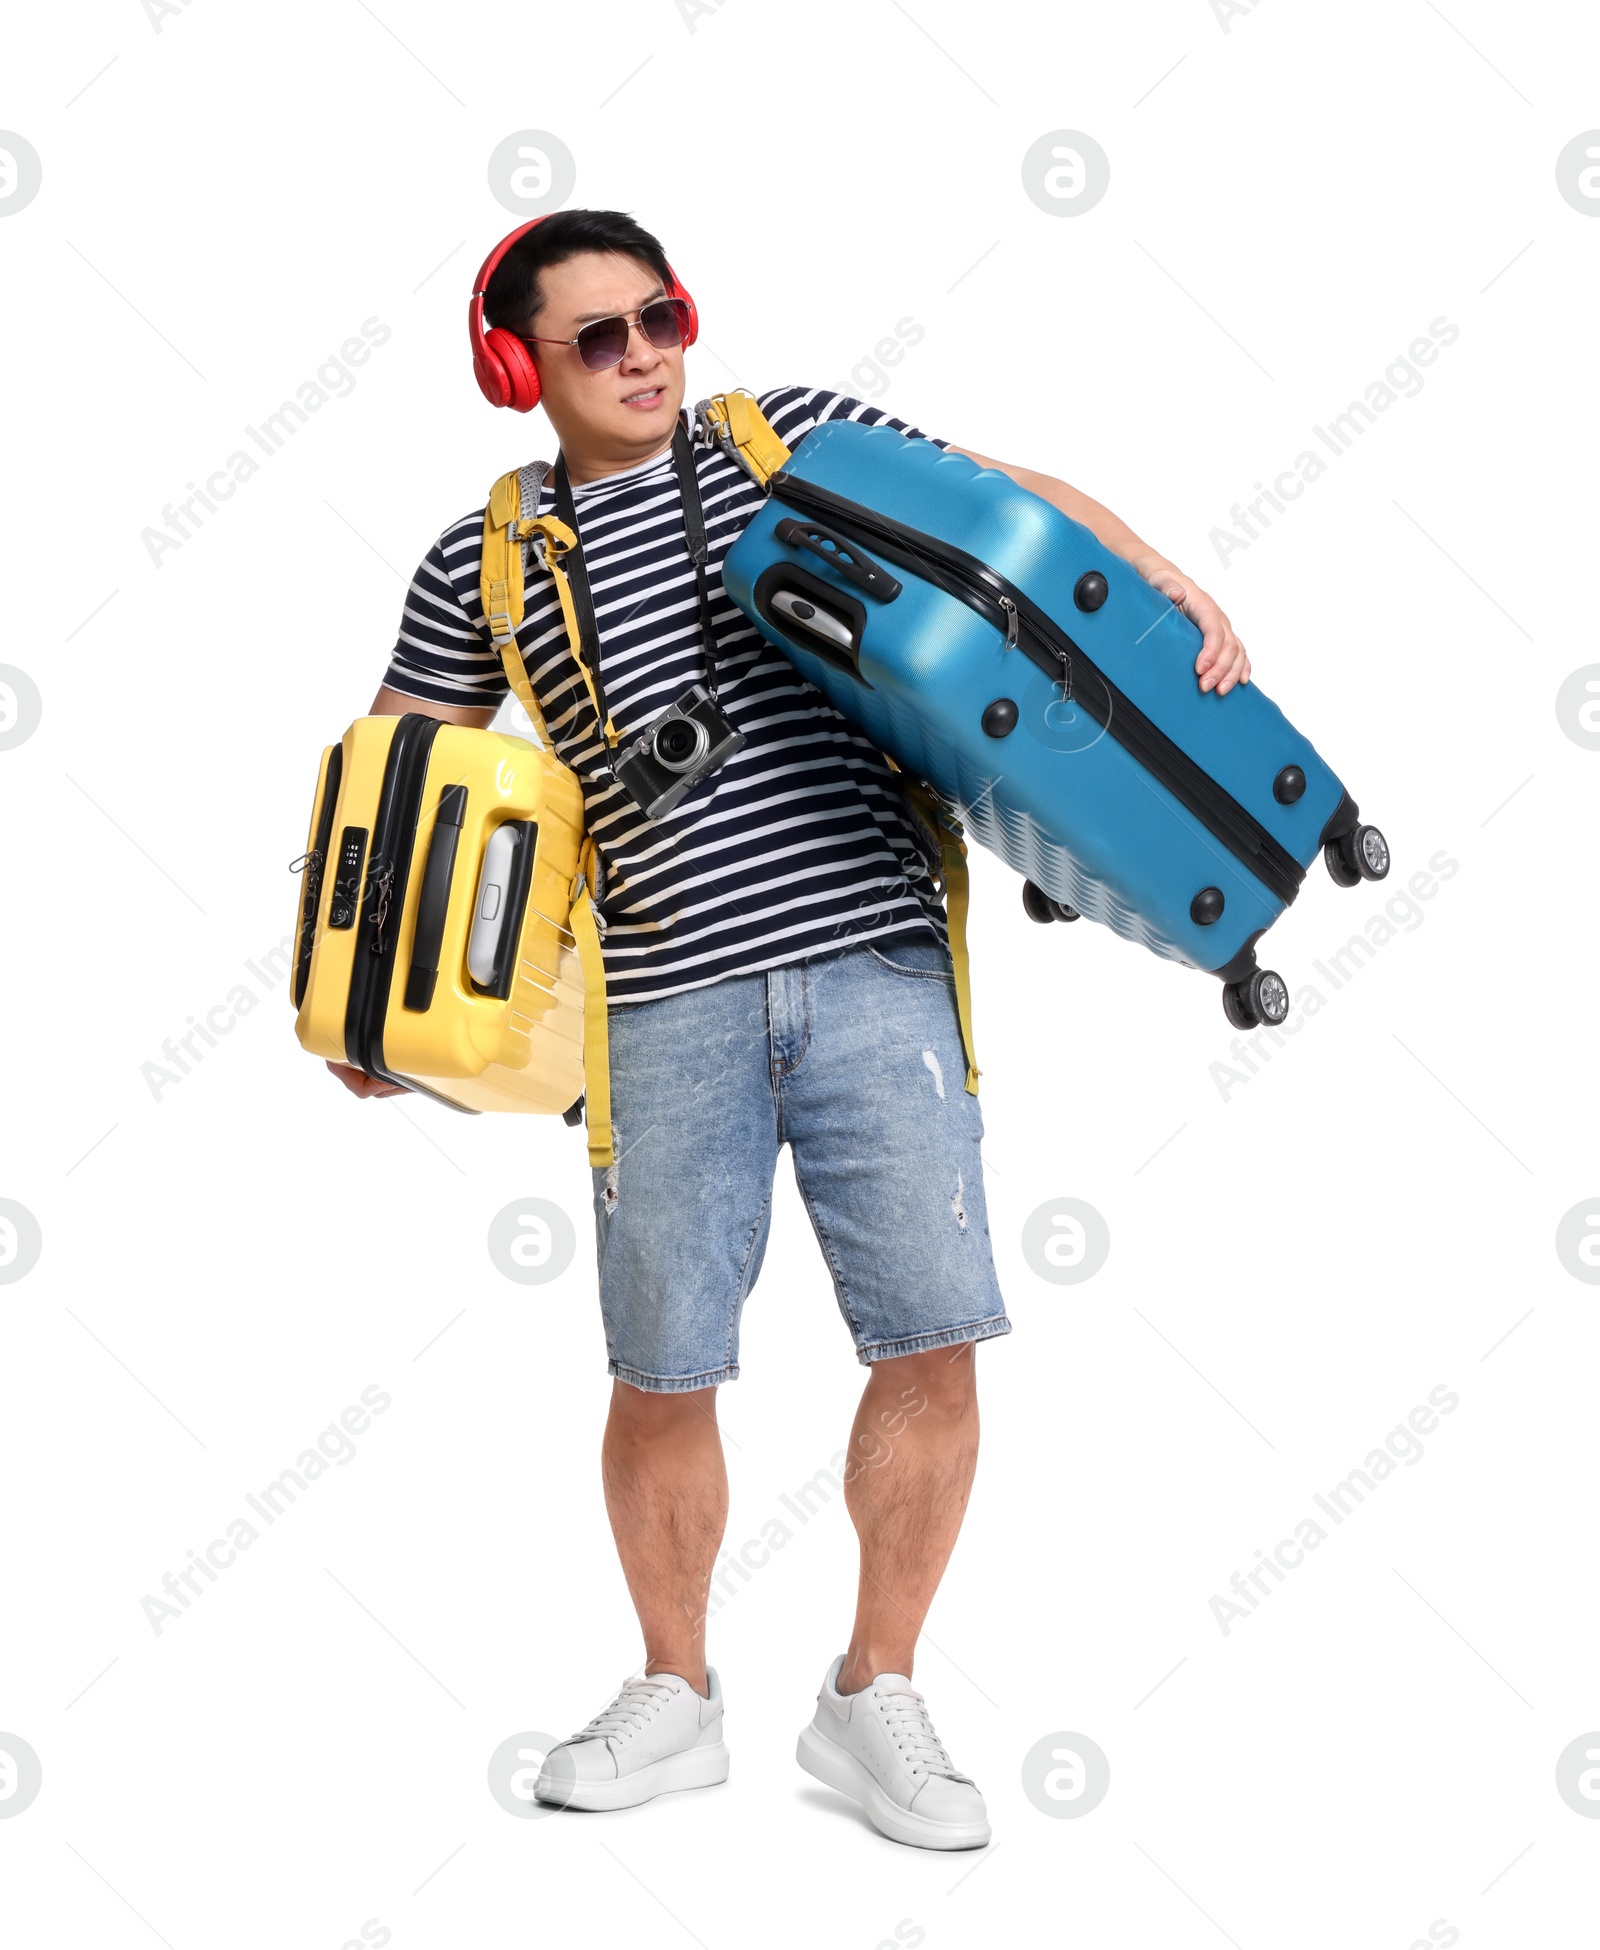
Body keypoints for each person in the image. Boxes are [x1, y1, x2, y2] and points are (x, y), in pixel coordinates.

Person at [328, 209, 1252, 1851]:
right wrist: (363, 996)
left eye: (660, 316)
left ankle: (874, 1690)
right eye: (597, 336)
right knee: (662, 1359)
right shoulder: (482, 557)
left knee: (931, 1330)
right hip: (662, 992)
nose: (643, 355)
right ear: (516, 366)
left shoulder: (797, 440)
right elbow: (398, 775)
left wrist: (1165, 583)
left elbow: (1014, 508)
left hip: (879, 968)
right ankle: (674, 1692)